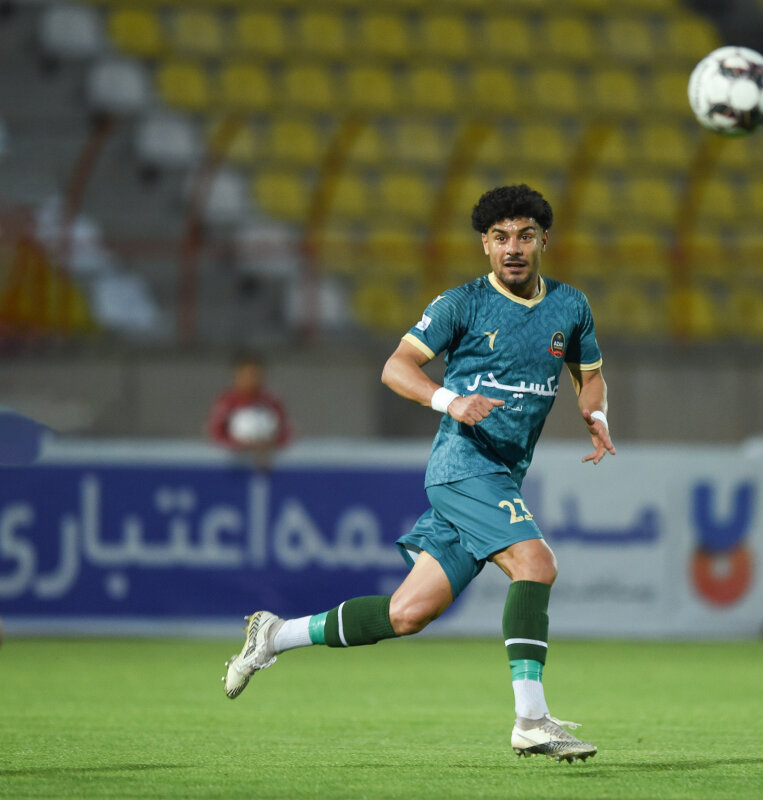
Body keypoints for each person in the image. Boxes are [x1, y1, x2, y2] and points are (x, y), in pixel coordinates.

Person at [222, 185, 615, 763]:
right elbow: (396, 366)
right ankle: (531, 720)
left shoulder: (570, 306)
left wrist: (595, 414)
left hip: (502, 476)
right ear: (485, 245)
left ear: (543, 241)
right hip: (463, 468)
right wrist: (450, 402)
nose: (513, 247)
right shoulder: (462, 304)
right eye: (500, 237)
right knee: (536, 564)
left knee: (406, 614)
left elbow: (590, 373)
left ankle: (275, 635)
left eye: (525, 236)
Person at [207, 350, 292, 461]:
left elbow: (286, 431)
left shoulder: (271, 401)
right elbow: (215, 433)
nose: (251, 379)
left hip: (266, 460)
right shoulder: (227, 402)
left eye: (255, 374)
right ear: (237, 375)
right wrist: (239, 444)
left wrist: (271, 444)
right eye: (246, 375)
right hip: (233, 463)